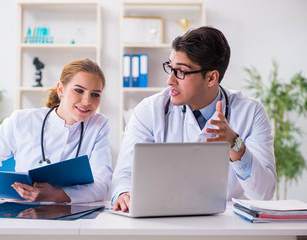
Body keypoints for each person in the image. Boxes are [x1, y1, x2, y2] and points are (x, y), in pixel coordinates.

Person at [112, 26, 277, 212]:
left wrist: (235, 144)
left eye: (181, 72)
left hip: (228, 226)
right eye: (170, 68)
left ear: (211, 78)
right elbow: (124, 174)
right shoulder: (149, 110)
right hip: (165, 219)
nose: (170, 80)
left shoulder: (251, 112)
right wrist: (123, 193)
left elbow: (263, 195)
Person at [0, 58, 112, 203]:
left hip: (73, 216)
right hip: (25, 214)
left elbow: (102, 184)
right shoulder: (22, 120)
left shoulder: (98, 125)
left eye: (95, 94)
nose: (87, 101)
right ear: (61, 89)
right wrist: (0, 200)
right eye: (79, 90)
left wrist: (58, 195)